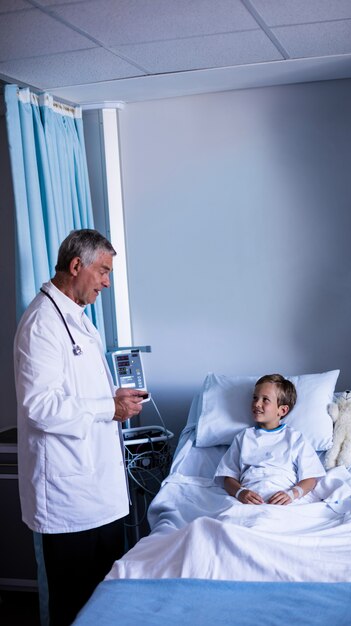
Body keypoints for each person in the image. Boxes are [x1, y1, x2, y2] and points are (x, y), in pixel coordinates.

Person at [14, 229, 147, 626]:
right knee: (74, 607)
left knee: (103, 603)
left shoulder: (77, 320)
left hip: (99, 493)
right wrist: (109, 406)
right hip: (69, 497)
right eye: (103, 271)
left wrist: (113, 396)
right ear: (76, 266)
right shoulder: (42, 323)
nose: (107, 281)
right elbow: (40, 406)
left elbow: (78, 390)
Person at [215, 374, 326, 505]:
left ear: (282, 410)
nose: (257, 404)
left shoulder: (295, 438)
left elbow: (311, 479)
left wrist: (292, 494)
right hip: (248, 501)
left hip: (284, 500)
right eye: (255, 398)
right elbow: (228, 478)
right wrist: (240, 493)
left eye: (265, 399)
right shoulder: (244, 437)